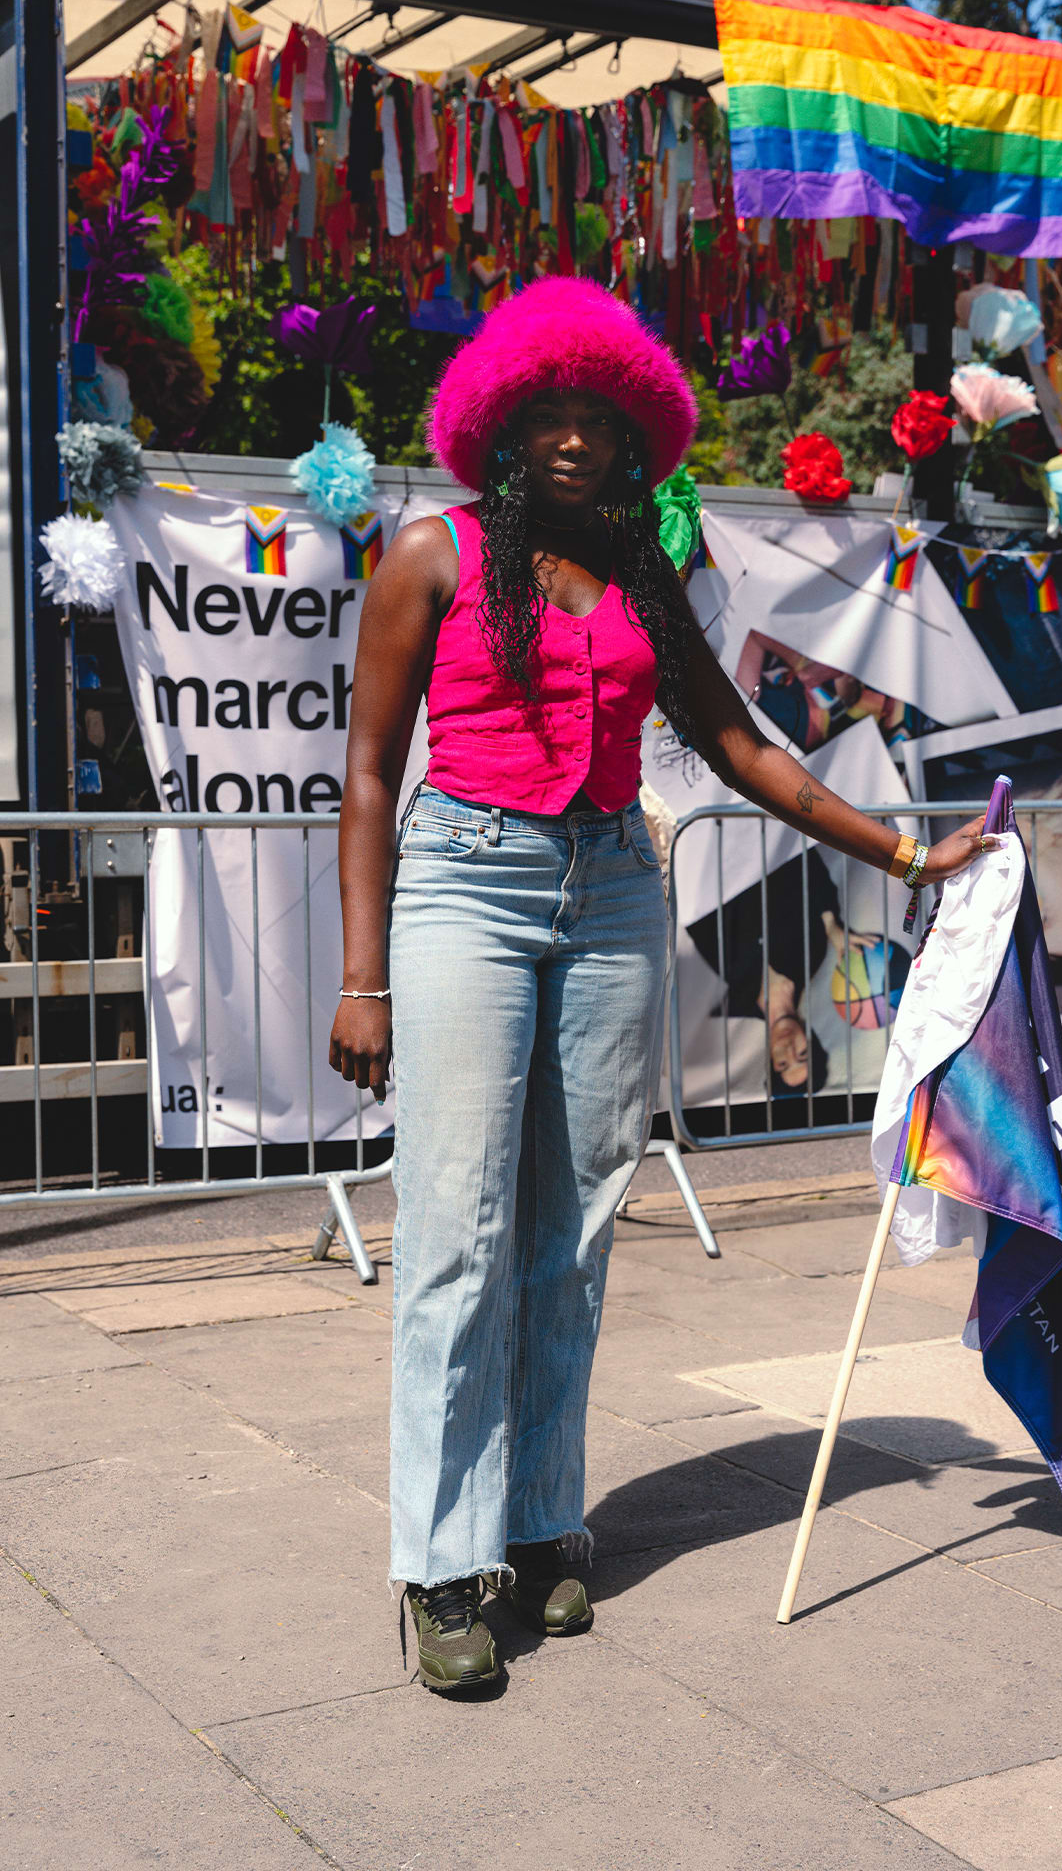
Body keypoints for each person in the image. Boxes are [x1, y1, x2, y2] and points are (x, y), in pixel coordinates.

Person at [329, 278, 989, 1694]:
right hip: (466, 886)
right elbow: (372, 772)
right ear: (504, 427)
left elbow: (741, 748)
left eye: (601, 415)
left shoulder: (640, 578)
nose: (575, 435)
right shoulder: (432, 555)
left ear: (637, 438)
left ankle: (539, 1521)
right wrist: (362, 977)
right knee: (456, 1232)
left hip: (618, 890)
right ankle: (441, 1564)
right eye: (550, 412)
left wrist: (905, 851)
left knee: (575, 1228)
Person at [687, 849, 871, 1094]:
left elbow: (696, 917)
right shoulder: (812, 955)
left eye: (783, 1063)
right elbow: (806, 862)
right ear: (810, 1039)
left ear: (772, 1059)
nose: (789, 1049)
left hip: (709, 852)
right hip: (763, 840)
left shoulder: (726, 1001)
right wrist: (831, 924)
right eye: (803, 1054)